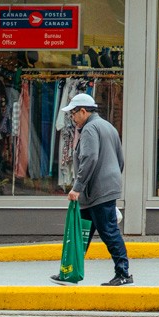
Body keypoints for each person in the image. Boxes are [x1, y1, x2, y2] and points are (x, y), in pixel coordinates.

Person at [53, 91, 132, 286]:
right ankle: (70, 272)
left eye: (73, 113)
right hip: (102, 189)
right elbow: (119, 160)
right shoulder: (108, 127)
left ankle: (123, 273)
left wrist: (77, 187)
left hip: (97, 191)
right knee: (83, 233)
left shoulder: (89, 129)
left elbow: (90, 158)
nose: (72, 118)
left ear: (83, 111)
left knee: (109, 232)